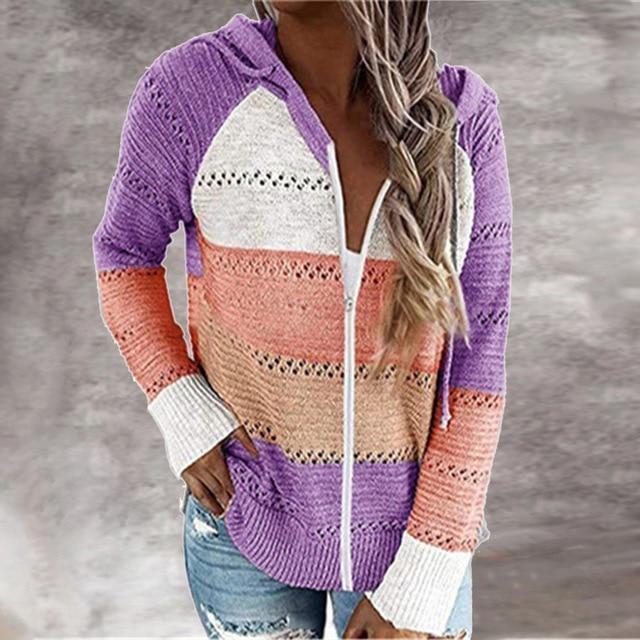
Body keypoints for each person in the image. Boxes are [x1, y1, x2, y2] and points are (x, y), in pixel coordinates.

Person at [91, 1, 513, 638]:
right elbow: (123, 255)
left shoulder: (462, 120)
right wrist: (181, 406)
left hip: (414, 538)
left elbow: (479, 363)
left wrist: (421, 583)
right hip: (244, 515)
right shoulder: (190, 92)